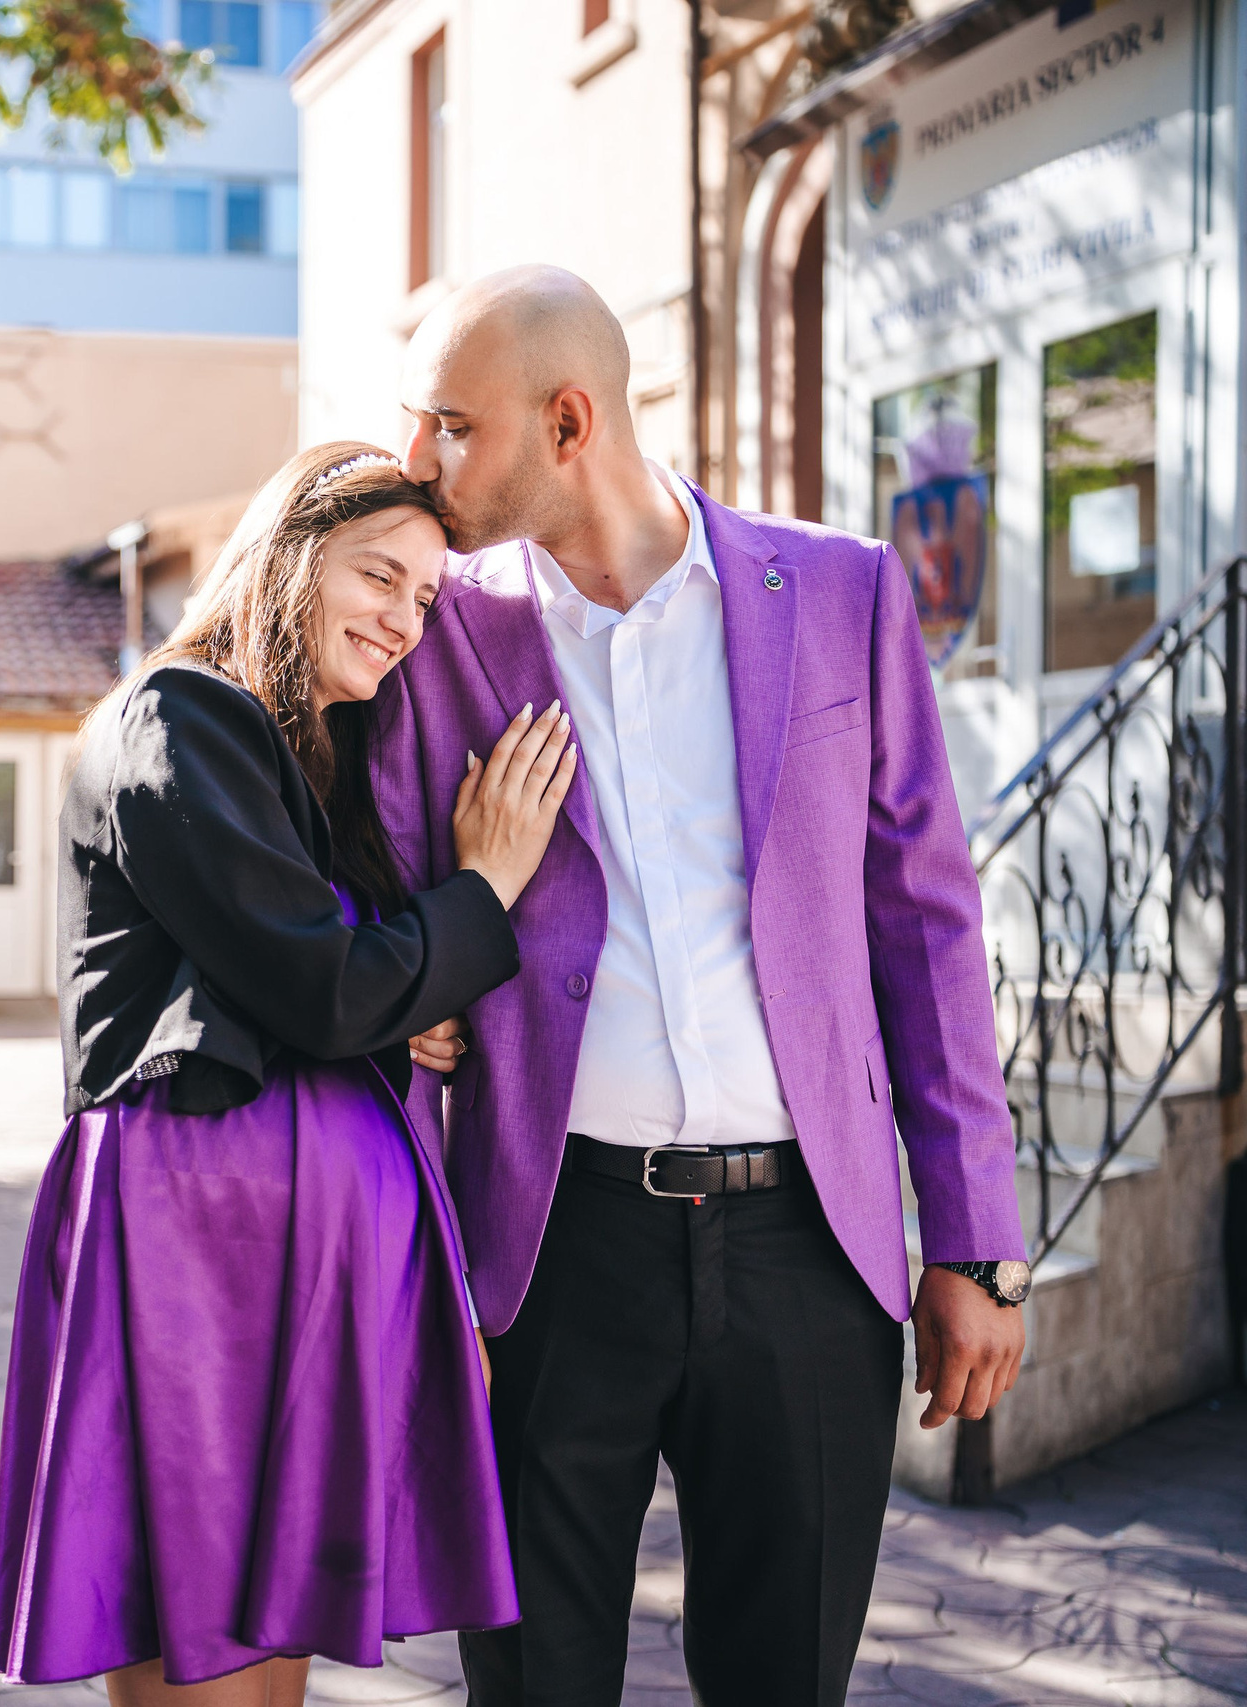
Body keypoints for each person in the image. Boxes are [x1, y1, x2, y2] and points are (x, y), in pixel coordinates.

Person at [373, 265, 1028, 1707]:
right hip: (548, 1251)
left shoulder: (844, 589)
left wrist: (975, 1238)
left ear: (566, 419)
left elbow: (923, 921)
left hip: (809, 1246)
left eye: (446, 426)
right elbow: (403, 966)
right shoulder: (437, 642)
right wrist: (433, 1287)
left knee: (782, 1676)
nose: (417, 463)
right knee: (535, 1685)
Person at [0, 442, 578, 1706]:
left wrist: (383, 990)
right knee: (192, 1643)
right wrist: (476, 900)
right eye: (379, 575)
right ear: (289, 557)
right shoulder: (177, 712)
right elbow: (323, 986)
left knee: (267, 1665)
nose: (404, 622)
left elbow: (329, 982)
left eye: (425, 600)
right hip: (189, 1247)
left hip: (284, 1255)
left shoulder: (300, 754)